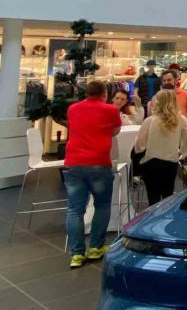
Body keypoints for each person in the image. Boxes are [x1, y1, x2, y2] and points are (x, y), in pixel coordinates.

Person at [63, 80, 121, 268]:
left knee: (75, 209)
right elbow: (115, 131)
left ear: (86, 93)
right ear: (104, 94)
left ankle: (76, 254)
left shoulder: (73, 109)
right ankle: (96, 247)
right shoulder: (111, 110)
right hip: (98, 162)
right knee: (102, 205)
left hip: (73, 162)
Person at [134, 89, 187, 205]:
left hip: (151, 162)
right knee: (168, 195)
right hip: (170, 162)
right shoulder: (181, 120)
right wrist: (181, 153)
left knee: (153, 198)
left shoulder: (149, 121)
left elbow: (139, 145)